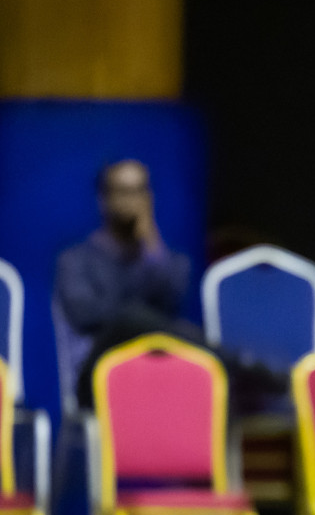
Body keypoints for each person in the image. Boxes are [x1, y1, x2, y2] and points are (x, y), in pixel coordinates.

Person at [55, 160, 284, 411]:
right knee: (133, 317)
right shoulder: (75, 260)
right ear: (104, 199)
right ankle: (240, 363)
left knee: (202, 367)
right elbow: (86, 315)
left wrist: (151, 244)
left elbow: (170, 303)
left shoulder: (165, 259)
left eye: (139, 191)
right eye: (123, 191)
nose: (131, 200)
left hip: (156, 371)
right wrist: (134, 317)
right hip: (96, 375)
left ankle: (232, 377)